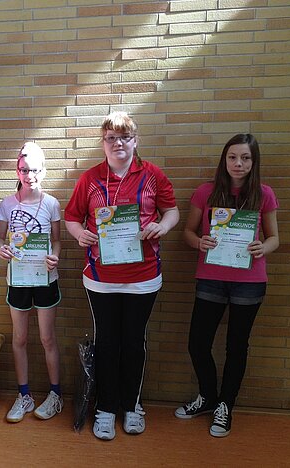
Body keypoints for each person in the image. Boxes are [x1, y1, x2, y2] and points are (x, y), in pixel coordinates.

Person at [64, 111, 179, 440]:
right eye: (111, 138)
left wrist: (163, 226)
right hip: (100, 278)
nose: (118, 144)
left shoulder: (153, 175)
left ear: (135, 141)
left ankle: (132, 405)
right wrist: (79, 234)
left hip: (144, 276)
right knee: (107, 342)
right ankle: (105, 408)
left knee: (133, 342)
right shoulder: (90, 179)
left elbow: (172, 211)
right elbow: (72, 217)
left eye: (124, 137)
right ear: (103, 143)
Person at [175, 134, 279, 438]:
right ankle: (208, 396)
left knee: (236, 346)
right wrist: (199, 242)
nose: (238, 163)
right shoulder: (205, 192)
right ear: (224, 160)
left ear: (254, 162)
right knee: (198, 343)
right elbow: (187, 232)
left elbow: (274, 237)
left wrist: (263, 247)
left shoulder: (264, 194)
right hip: (211, 277)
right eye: (232, 157)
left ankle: (225, 405)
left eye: (245, 158)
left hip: (249, 282)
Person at [0, 142, 63, 422]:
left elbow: (57, 241)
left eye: (34, 170)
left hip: (45, 279)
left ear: (43, 171)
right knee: (19, 338)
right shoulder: (7, 204)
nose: (29, 175)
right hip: (18, 279)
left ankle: (55, 394)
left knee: (47, 338)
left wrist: (55, 256)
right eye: (24, 170)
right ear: (17, 171)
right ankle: (24, 395)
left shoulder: (52, 204)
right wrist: (0, 249)